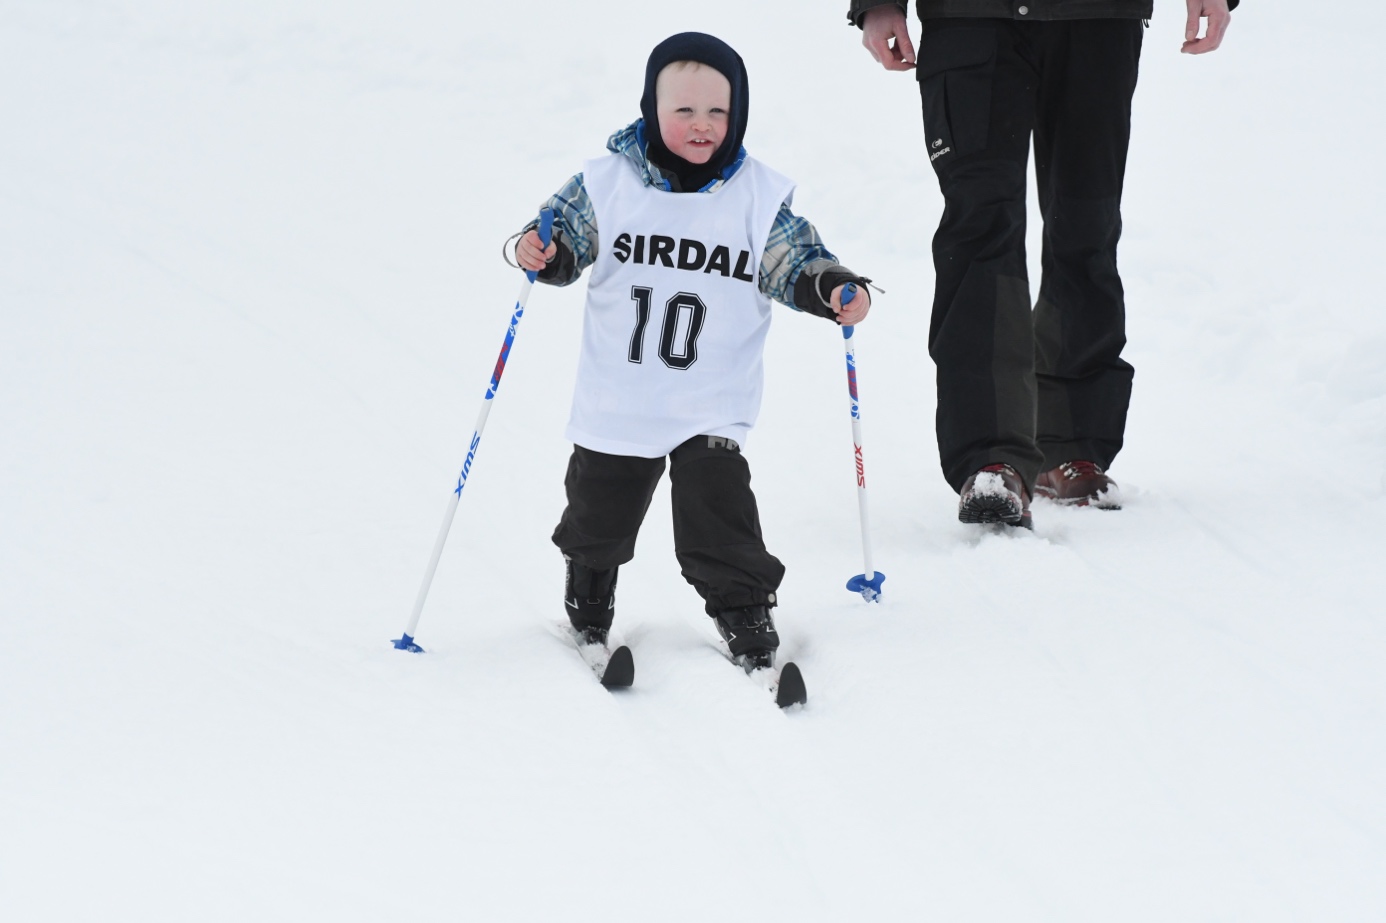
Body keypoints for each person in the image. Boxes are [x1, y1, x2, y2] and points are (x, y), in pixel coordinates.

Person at [511, 32, 872, 668]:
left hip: (710, 399)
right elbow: (557, 234)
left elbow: (796, 261)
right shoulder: (607, 184)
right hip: (620, 398)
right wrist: (542, 252)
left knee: (719, 508)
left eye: (718, 113)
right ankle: (589, 595)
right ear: (652, 108)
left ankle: (744, 609)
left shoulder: (758, 199)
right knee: (600, 514)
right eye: (683, 111)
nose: (702, 126)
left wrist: (831, 287)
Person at [848, 0, 1234, 528]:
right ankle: (991, 458)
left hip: (1098, 19)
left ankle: (1071, 441)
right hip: (971, 19)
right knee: (980, 231)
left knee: (1086, 225)